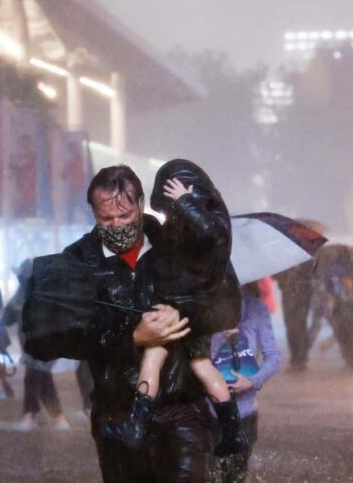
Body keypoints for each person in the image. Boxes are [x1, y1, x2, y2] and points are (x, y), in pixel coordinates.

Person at [23, 165, 238, 483]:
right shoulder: (77, 265)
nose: (119, 226)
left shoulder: (179, 243)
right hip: (119, 405)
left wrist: (183, 320)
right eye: (107, 220)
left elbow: (223, 302)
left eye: (125, 216)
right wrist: (130, 336)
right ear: (94, 213)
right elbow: (46, 338)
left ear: (141, 204)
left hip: (180, 400)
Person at [100, 159, 246, 455]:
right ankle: (232, 432)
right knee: (201, 364)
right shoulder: (203, 226)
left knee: (153, 355)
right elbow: (175, 248)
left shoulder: (211, 224)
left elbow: (206, 232)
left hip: (184, 307)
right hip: (200, 308)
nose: (171, 211)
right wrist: (155, 224)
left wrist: (184, 200)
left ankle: (137, 424)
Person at [207, 283, 282, 483]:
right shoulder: (203, 310)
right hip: (209, 412)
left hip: (246, 411)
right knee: (209, 482)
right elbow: (196, 360)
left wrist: (253, 381)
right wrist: (220, 336)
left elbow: (273, 357)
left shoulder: (256, 308)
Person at [0, 259, 70, 431]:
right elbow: (10, 317)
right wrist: (4, 314)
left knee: (32, 378)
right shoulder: (23, 293)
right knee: (43, 379)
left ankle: (29, 416)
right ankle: (58, 418)